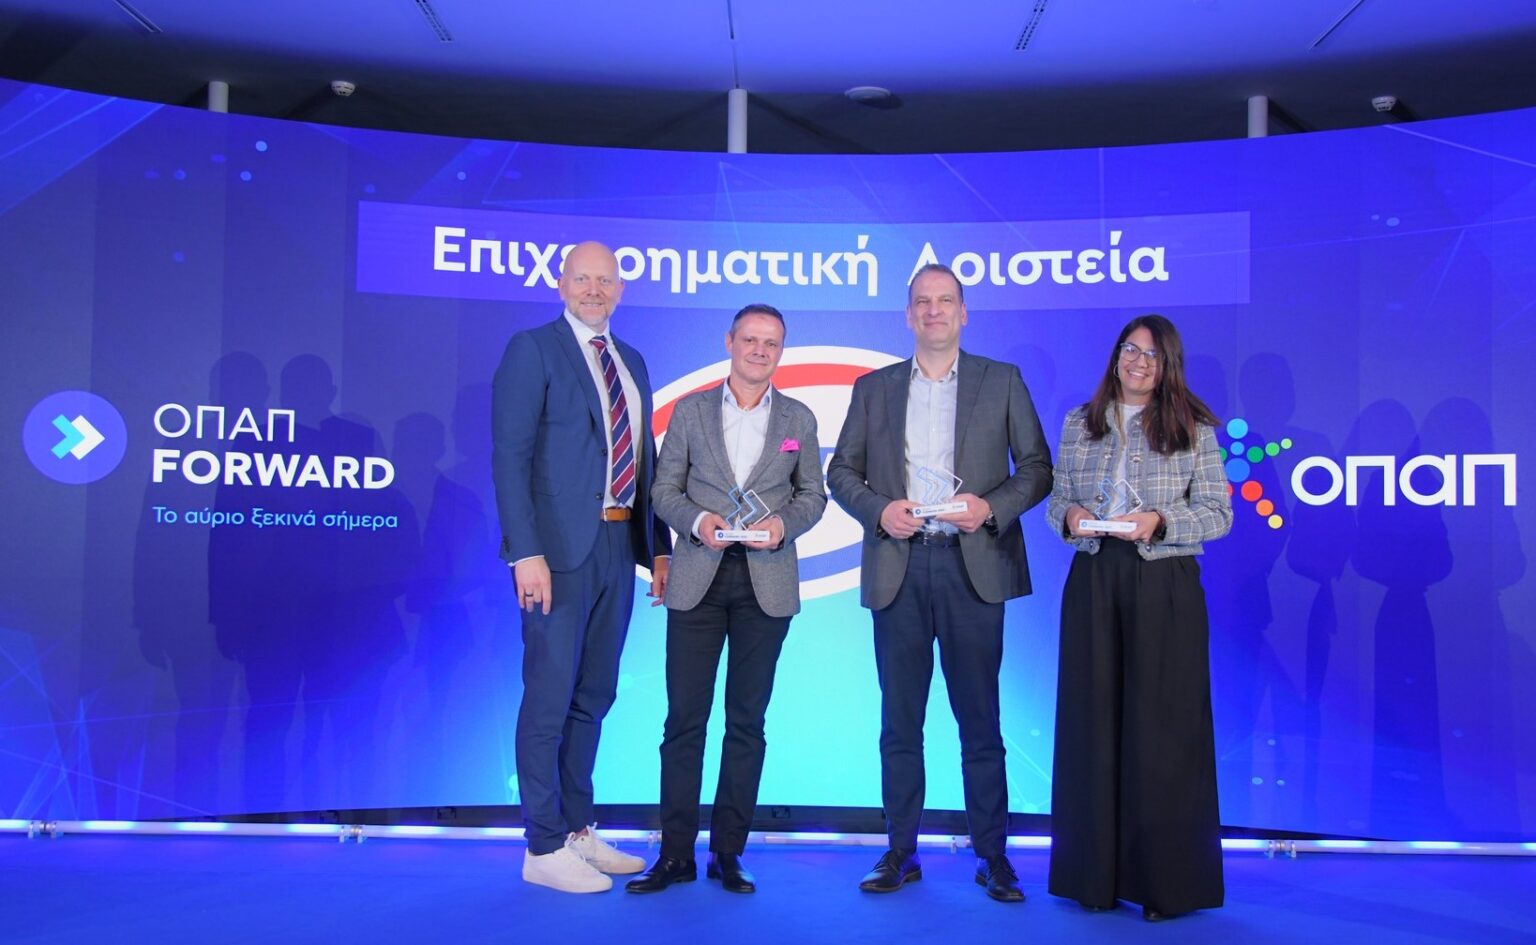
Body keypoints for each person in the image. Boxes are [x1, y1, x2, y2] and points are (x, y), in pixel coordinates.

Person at [827, 263, 1052, 903]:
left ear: (963, 313)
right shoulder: (873, 388)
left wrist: (991, 507)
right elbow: (840, 472)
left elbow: (1037, 468)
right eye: (922, 301)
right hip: (899, 565)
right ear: (908, 315)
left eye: (945, 300)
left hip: (971, 565)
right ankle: (900, 851)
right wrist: (879, 510)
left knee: (980, 721)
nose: (933, 310)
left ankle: (994, 856)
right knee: (900, 723)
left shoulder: (1001, 380)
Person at [627, 304, 827, 895]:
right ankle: (674, 854)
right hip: (697, 578)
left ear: (781, 351)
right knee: (683, 722)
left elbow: (813, 495)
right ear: (730, 342)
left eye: (771, 343)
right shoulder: (690, 412)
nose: (760, 351)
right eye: (750, 340)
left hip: (767, 582)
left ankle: (728, 853)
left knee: (747, 723)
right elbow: (663, 489)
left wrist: (782, 526)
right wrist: (698, 522)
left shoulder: (798, 418)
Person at [491, 241, 672, 893]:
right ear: (562, 284)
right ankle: (541, 845)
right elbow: (510, 456)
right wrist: (525, 551)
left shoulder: (632, 361)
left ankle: (575, 829)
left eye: (605, 279)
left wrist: (658, 548)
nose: (594, 289)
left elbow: (644, 462)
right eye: (582, 278)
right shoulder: (532, 350)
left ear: (620, 289)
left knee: (594, 694)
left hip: (617, 548)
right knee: (549, 695)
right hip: (556, 555)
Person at [1045, 314, 1232, 921]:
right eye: (1130, 349)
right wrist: (1070, 517)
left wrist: (1161, 522)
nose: (1139, 361)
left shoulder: (1194, 427)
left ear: (1168, 365)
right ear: (1116, 355)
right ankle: (1092, 879)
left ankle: (1164, 885)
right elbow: (1057, 498)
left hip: (1164, 580)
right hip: (1095, 577)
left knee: (1162, 733)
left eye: (1152, 354)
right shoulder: (1080, 422)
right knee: (1092, 727)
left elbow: (1218, 513)